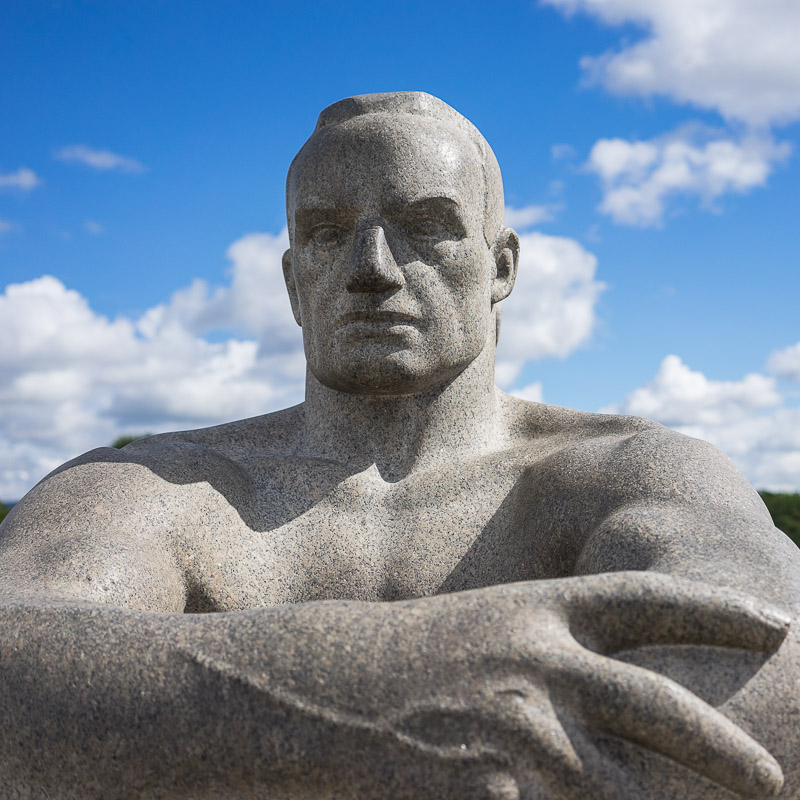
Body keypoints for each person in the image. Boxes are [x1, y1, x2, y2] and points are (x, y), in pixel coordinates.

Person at [0, 91, 798, 800]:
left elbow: (773, 683)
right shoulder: (157, 486)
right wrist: (422, 671)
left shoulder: (627, 471)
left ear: (502, 266)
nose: (372, 269)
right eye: (325, 232)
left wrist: (204, 731)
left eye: (426, 227)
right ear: (290, 281)